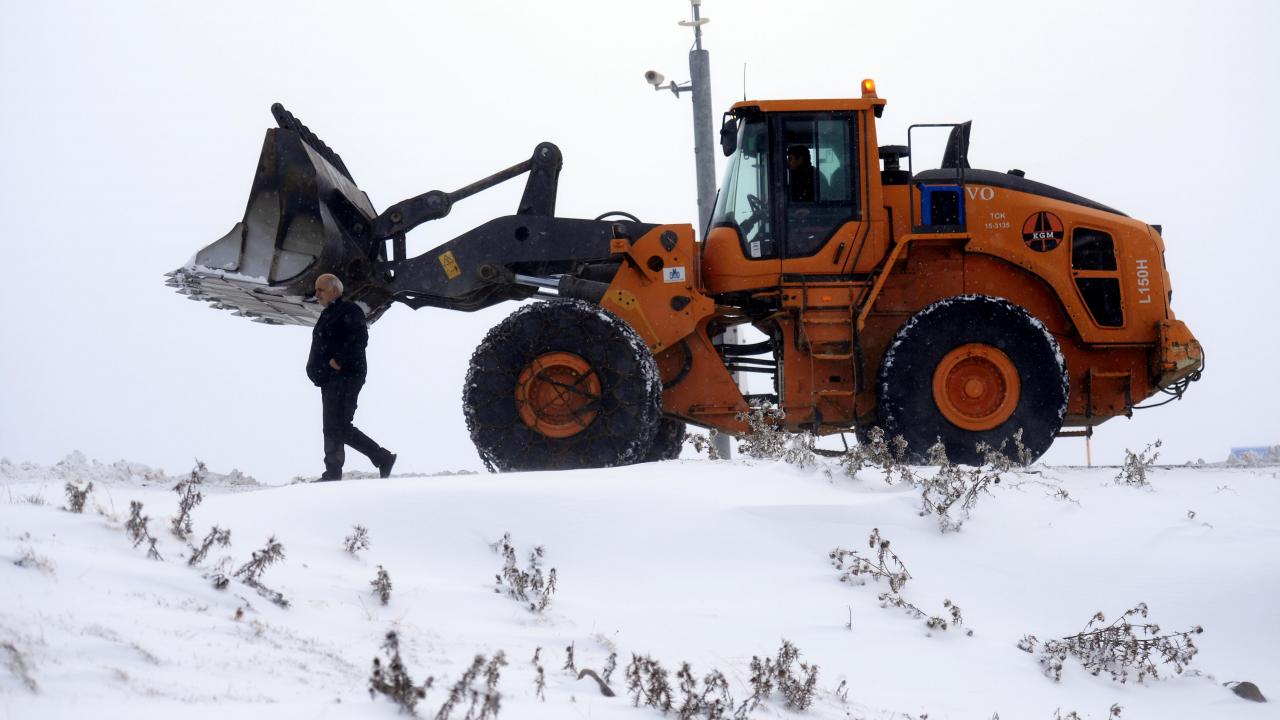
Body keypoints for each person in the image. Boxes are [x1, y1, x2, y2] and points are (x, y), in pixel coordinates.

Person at [307, 273, 396, 481]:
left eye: (320, 290)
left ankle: (382, 458)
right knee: (331, 426)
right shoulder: (328, 314)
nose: (316, 294)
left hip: (346, 376)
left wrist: (338, 361)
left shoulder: (349, 310)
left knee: (340, 426)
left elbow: (360, 337)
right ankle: (333, 471)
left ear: (334, 291)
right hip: (330, 378)